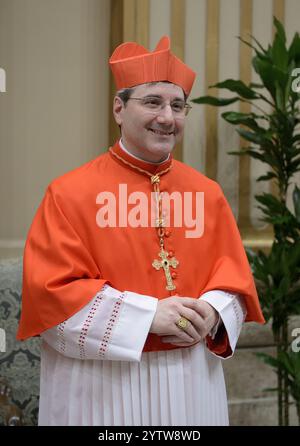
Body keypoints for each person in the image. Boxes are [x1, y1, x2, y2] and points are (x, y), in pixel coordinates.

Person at [17, 35, 265, 426]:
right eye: (152, 102)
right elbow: (51, 300)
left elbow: (233, 282)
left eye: (178, 105)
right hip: (103, 389)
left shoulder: (207, 193)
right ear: (119, 108)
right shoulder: (69, 194)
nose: (167, 117)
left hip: (191, 384)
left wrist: (213, 311)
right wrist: (148, 316)